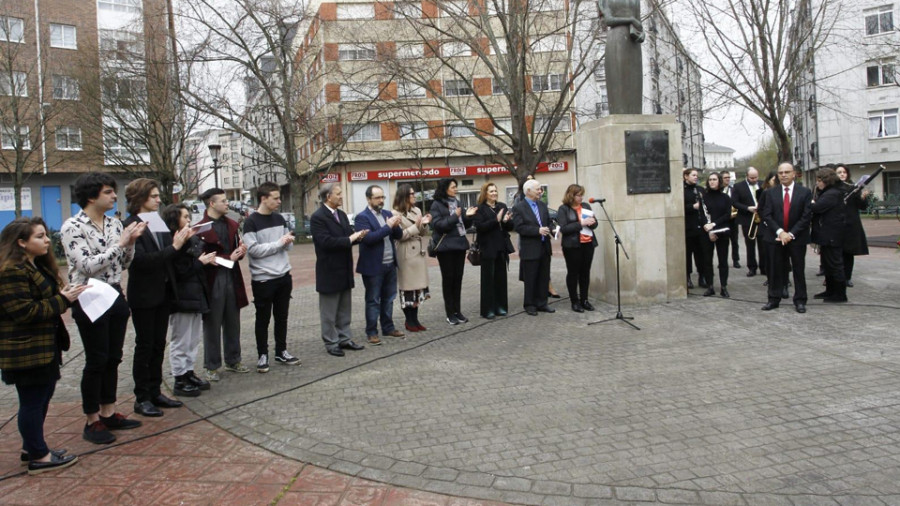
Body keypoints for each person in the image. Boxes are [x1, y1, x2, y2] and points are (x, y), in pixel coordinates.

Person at [61, 172, 144, 444]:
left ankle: (108, 411)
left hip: (114, 293)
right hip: (88, 296)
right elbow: (86, 265)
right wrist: (119, 245)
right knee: (96, 359)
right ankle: (92, 419)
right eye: (108, 191)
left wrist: (129, 244)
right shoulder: (73, 226)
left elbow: (124, 262)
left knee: (114, 355)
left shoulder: (114, 224)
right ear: (91, 195)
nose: (113, 196)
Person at [0, 218, 85, 474]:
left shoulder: (33, 266)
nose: (47, 240)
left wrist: (64, 294)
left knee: (42, 397)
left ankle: (33, 447)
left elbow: (43, 300)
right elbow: (23, 312)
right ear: (21, 243)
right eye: (40, 236)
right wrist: (63, 300)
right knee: (32, 402)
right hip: (25, 350)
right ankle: (39, 456)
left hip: (44, 346)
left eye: (46, 235)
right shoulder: (11, 271)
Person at [123, 178, 191, 418]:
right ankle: (141, 397)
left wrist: (182, 244)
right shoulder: (131, 224)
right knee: (145, 345)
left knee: (158, 344)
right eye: (153, 196)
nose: (159, 199)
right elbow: (140, 261)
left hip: (163, 292)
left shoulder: (158, 221)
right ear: (140, 198)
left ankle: (155, 391)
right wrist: (175, 247)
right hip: (143, 293)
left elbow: (168, 255)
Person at [243, 182, 300, 373]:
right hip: (263, 278)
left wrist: (287, 241)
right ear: (263, 199)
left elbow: (287, 246)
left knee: (282, 316)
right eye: (275, 198)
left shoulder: (280, 218)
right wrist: (279, 243)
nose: (279, 201)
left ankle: (281, 350)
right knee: (263, 318)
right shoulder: (251, 222)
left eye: (279, 197)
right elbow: (254, 250)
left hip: (283, 275)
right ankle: (262, 354)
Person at [195, 188, 249, 380]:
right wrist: (230, 257)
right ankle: (211, 366)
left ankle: (233, 360)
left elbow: (236, 253)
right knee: (212, 324)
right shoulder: (200, 228)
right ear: (212, 203)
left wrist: (240, 252)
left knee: (233, 321)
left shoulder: (232, 224)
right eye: (224, 201)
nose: (228, 204)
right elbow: (201, 257)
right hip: (213, 279)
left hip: (232, 278)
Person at [161, 204, 214, 397]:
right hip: (181, 296)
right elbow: (180, 271)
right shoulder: (173, 244)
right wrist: (199, 261)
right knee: (181, 339)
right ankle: (179, 377)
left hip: (195, 293)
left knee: (193, 338)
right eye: (184, 217)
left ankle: (189, 371)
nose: (189, 221)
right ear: (174, 220)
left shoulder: (191, 241)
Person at [310, 183, 369, 357]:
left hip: (344, 269)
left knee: (344, 308)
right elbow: (325, 242)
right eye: (339, 193)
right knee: (329, 311)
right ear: (328, 197)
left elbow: (348, 236)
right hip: (329, 270)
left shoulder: (341, 215)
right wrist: (349, 239)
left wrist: (359, 236)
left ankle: (345, 338)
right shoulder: (318, 217)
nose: (342, 196)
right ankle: (331, 342)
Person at [355, 185, 405, 345]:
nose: (381, 201)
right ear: (369, 199)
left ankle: (388, 327)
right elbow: (369, 239)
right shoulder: (362, 217)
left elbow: (398, 235)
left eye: (383, 197)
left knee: (389, 298)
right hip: (373, 266)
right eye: (377, 198)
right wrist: (388, 226)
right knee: (373, 300)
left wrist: (396, 225)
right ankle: (371, 332)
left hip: (390, 264)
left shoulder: (387, 214)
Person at [760, 162, 813, 313]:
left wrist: (790, 234)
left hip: (797, 238)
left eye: (787, 172)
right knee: (775, 269)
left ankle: (800, 300)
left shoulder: (805, 192)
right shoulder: (770, 193)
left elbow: (806, 216)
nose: (783, 175)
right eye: (781, 172)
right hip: (775, 237)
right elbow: (766, 214)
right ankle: (773, 299)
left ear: (793, 173)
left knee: (798, 269)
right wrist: (780, 232)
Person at [429, 178, 476, 325]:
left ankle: (458, 311)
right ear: (445, 188)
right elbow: (437, 225)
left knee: (458, 279)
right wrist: (454, 216)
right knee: (448, 279)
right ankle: (450, 313)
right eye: (453, 187)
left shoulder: (457, 202)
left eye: (456, 187)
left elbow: (465, 225)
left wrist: (468, 216)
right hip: (446, 247)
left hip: (460, 245)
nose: (456, 189)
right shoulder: (437, 204)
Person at [392, 184, 432, 332]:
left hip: (418, 253)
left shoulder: (417, 210)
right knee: (407, 289)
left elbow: (422, 233)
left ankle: (415, 320)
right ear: (404, 196)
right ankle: (409, 321)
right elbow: (399, 235)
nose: (414, 196)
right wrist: (415, 226)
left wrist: (424, 224)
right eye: (411, 194)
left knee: (417, 289)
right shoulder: (395, 214)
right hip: (406, 253)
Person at [512, 178, 555, 315]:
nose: (540, 191)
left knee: (544, 276)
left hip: (544, 247)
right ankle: (530, 304)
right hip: (530, 248)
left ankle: (542, 303)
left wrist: (553, 229)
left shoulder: (542, 205)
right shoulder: (519, 207)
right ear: (528, 191)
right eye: (538, 189)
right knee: (530, 278)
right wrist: (537, 231)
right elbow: (519, 227)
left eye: (541, 188)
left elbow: (548, 221)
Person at [473, 182, 515, 319]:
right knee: (488, 280)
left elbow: (509, 227)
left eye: (495, 191)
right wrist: (496, 220)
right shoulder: (480, 209)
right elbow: (480, 227)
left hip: (501, 247)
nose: (494, 193)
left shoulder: (501, 206)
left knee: (500, 279)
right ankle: (488, 309)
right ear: (485, 194)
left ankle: (501, 306)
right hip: (487, 248)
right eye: (491, 191)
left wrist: (507, 221)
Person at [556, 184, 598, 312]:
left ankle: (584, 300)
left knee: (585, 273)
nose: (581, 198)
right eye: (578, 195)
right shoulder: (563, 209)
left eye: (582, 195)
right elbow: (563, 228)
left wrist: (592, 223)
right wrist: (581, 224)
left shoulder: (586, 206)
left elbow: (595, 224)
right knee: (573, 273)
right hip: (572, 246)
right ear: (571, 195)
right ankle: (574, 301)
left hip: (588, 244)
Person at [811, 167, 848, 303]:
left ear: (825, 181)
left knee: (835, 264)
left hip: (832, 234)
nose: (817, 183)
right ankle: (830, 290)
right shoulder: (830, 192)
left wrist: (811, 203)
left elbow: (817, 208)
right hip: (828, 234)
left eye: (819, 180)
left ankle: (839, 294)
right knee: (827, 264)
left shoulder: (832, 194)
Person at [699, 172, 733, 298]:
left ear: (719, 181)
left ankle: (723, 287)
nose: (712, 181)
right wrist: (709, 230)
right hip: (707, 233)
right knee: (707, 261)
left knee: (723, 261)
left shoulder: (725, 198)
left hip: (722, 231)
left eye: (714, 179)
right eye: (710, 180)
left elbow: (727, 215)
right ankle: (710, 287)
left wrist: (713, 225)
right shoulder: (704, 198)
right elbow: (702, 216)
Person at [835, 164, 869, 287]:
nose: (842, 174)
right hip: (837, 224)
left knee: (849, 253)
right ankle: (837, 277)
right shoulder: (833, 188)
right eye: (839, 172)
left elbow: (862, 206)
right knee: (837, 253)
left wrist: (863, 198)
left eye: (844, 172)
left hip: (851, 224)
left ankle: (847, 278)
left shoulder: (854, 187)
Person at [731, 167, 762, 277]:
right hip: (747, 219)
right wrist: (747, 208)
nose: (754, 180)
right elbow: (734, 202)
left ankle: (764, 267)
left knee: (763, 244)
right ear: (746, 176)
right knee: (750, 245)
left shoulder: (762, 184)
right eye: (751, 178)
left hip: (761, 219)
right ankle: (752, 267)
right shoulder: (738, 186)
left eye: (756, 177)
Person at [683, 168, 706, 289]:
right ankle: (687, 277)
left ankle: (702, 276)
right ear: (686, 176)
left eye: (696, 175)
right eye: (693, 175)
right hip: (688, 227)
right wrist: (692, 206)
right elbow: (679, 206)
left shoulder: (700, 189)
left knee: (701, 254)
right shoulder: (682, 190)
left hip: (700, 227)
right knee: (687, 254)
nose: (696, 177)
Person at [721, 172, 741, 268]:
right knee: (723, 242)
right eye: (725, 177)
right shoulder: (718, 191)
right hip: (722, 220)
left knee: (734, 241)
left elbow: (737, 203)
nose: (727, 179)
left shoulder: (733, 190)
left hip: (733, 219)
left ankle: (736, 260)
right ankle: (723, 261)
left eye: (729, 177)